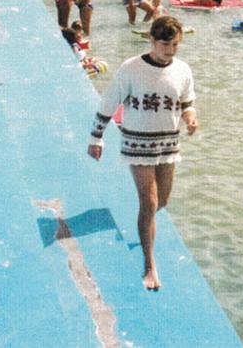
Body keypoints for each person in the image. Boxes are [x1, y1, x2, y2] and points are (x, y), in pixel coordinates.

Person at [87, 15, 198, 292]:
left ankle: (144, 223)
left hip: (168, 146)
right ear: (151, 40)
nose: (170, 51)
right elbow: (109, 101)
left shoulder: (182, 69)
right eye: (164, 44)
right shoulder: (131, 68)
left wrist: (191, 118)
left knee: (161, 203)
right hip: (137, 144)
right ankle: (149, 264)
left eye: (175, 45)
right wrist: (96, 137)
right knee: (148, 204)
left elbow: (187, 101)